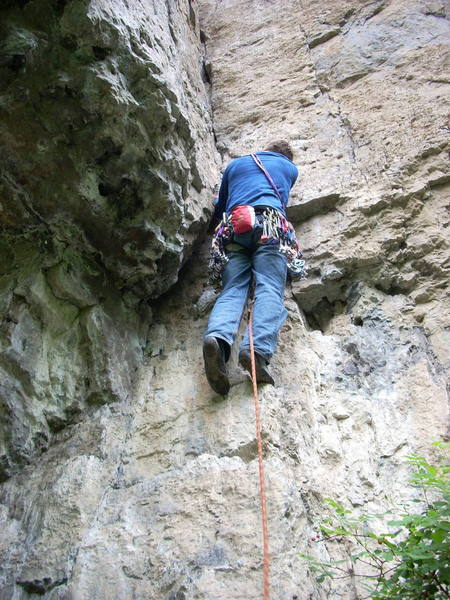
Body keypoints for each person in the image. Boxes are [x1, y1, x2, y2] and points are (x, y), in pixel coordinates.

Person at [203, 140, 299, 395]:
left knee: (232, 288)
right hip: (269, 226)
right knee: (269, 287)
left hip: (233, 228)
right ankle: (256, 351)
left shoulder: (235, 166)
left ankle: (218, 340)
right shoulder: (289, 169)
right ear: (286, 157)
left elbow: (220, 205)